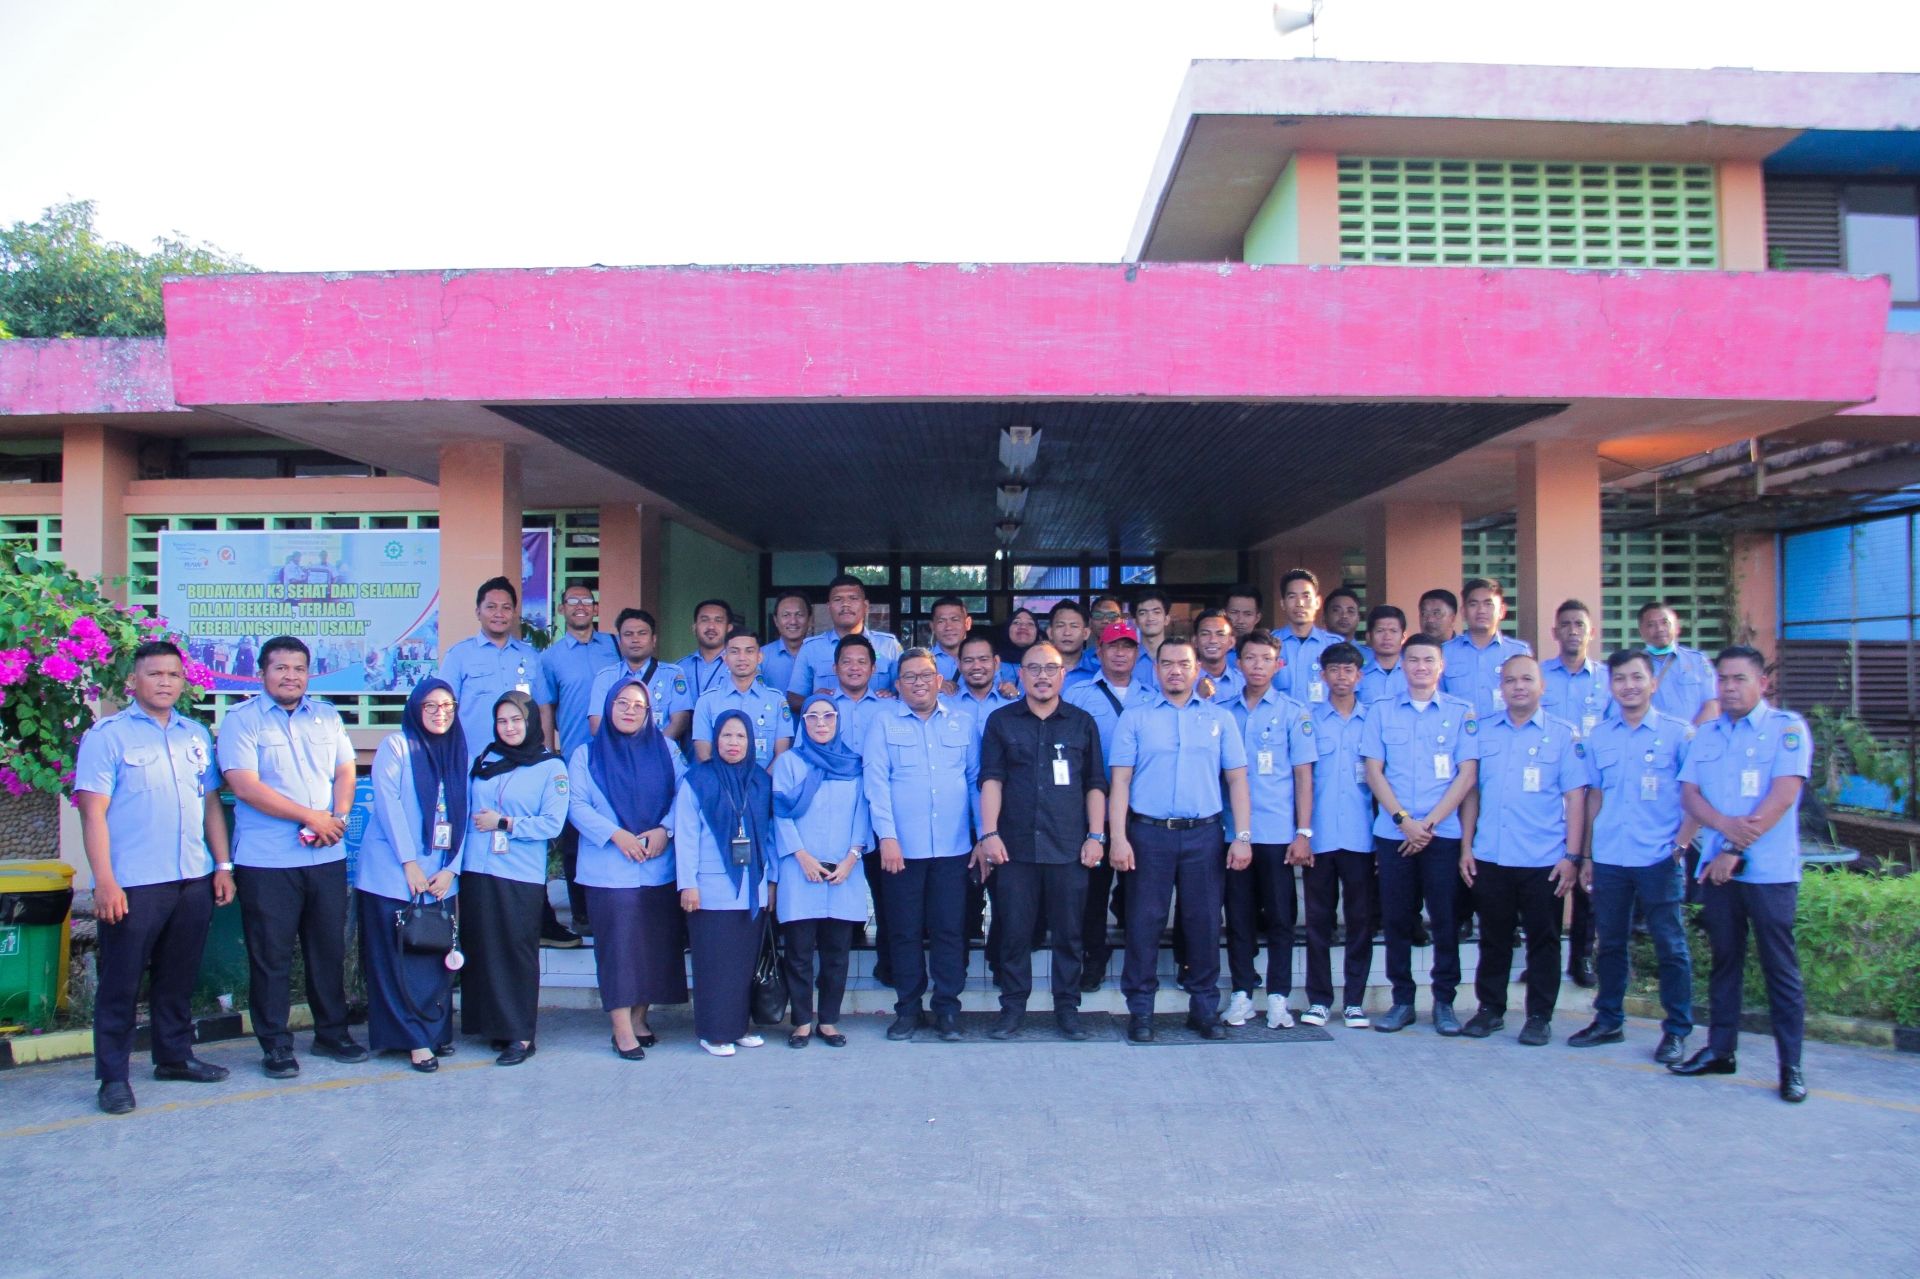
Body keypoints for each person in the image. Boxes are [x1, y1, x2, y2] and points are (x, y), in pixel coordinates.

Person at [74, 641, 234, 1114]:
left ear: (183, 682)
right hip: (134, 883)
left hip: (192, 877)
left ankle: (174, 1057)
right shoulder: (107, 736)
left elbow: (210, 803)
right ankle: (113, 1077)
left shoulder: (195, 735)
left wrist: (222, 865)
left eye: (173, 675)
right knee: (121, 983)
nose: (165, 682)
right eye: (154, 674)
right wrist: (104, 881)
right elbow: (93, 813)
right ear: (133, 681)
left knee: (178, 976)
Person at [216, 635, 364, 1077]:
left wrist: (336, 818)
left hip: (324, 855)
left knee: (327, 950)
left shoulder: (327, 716)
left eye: (299, 668)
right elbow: (245, 786)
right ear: (262, 672)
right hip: (267, 861)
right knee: (271, 957)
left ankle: (332, 1033)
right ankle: (276, 1046)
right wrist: (311, 817)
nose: (290, 676)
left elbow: (345, 770)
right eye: (281, 668)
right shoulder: (242, 720)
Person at [1674, 646, 1812, 1102]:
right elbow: (1690, 795)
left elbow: (1783, 796)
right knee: (1724, 961)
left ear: (1762, 684)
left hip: (1768, 873)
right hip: (1719, 872)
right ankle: (1720, 1050)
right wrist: (1722, 827)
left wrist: (1733, 846)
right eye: (1723, 680)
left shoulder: (1786, 729)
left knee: (1779, 969)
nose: (1729, 688)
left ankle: (1791, 1066)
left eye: (1739, 679)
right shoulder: (1706, 734)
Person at [1108, 639, 1252, 1043]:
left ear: (1197, 669)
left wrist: (1242, 836)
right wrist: (1118, 837)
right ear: (1155, 670)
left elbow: (1237, 780)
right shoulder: (1135, 718)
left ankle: (1204, 1009)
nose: (1175, 671)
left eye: (1184, 664)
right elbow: (1120, 782)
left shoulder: (1220, 718)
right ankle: (1141, 1010)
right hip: (1148, 834)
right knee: (1144, 922)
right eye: (1167, 663)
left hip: (1204, 834)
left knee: (1203, 922)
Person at [1568, 649, 1697, 1063]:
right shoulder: (1599, 737)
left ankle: (1676, 1029)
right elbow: (1594, 797)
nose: (1629, 686)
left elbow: (1696, 797)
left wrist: (1680, 847)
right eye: (1620, 679)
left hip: (1659, 858)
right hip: (1610, 857)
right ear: (1611, 686)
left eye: (1637, 677)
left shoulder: (1678, 734)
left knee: (1670, 945)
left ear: (1653, 683)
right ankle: (1609, 1020)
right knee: (1610, 944)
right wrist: (1587, 855)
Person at [976, 641, 1108, 1040]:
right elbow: (991, 780)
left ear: (1063, 674)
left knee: (1069, 936)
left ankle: (1067, 1010)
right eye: (1033, 668)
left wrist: (1096, 836)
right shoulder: (1001, 721)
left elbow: (1095, 783)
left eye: (1050, 668)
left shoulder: (1082, 723)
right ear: (1020, 675)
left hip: (1069, 847)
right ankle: (1012, 1008)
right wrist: (989, 833)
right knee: (1014, 933)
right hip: (1014, 847)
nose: (1042, 676)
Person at [1456, 654, 1587, 1046]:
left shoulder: (1563, 735)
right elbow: (1471, 792)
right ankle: (1490, 1010)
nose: (1518, 686)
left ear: (1542, 686)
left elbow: (1576, 799)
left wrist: (1573, 857)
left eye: (1527, 679)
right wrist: (1466, 846)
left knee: (1543, 940)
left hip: (1543, 858)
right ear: (1501, 688)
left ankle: (1539, 1017)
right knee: (1493, 938)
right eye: (1511, 680)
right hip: (1491, 855)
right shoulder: (1483, 731)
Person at [1361, 634, 1479, 1035]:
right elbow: (1374, 771)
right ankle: (1402, 1001)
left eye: (1429, 660)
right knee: (1397, 919)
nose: (1421, 667)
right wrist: (1403, 820)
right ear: (1403, 665)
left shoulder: (1461, 712)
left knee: (1445, 919)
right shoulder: (1382, 711)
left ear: (1440, 666)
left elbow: (1467, 774)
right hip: (1394, 832)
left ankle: (1444, 1002)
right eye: (1413, 660)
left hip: (1440, 835)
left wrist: (1426, 826)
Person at [864, 648, 980, 1042]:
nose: (919, 683)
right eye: (910, 677)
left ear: (939, 681)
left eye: (926, 675)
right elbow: (876, 782)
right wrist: (887, 837)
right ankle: (908, 1010)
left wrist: (982, 837)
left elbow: (975, 782)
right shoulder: (883, 723)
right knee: (903, 932)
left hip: (954, 848)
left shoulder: (963, 723)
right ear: (897, 685)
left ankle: (947, 1010)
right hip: (902, 851)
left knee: (950, 931)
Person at [571, 677, 689, 1060]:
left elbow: (685, 794)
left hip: (657, 866)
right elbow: (576, 805)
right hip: (609, 869)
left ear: (649, 712)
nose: (630, 710)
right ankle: (621, 1029)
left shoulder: (667, 749)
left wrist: (665, 829)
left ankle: (640, 1019)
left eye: (639, 705)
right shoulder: (586, 754)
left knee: (654, 947)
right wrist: (615, 835)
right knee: (618, 950)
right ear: (608, 707)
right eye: (622, 703)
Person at [355, 678, 465, 1072]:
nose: (440, 713)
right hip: (392, 874)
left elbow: (467, 815)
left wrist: (452, 868)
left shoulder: (459, 751)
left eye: (447, 705)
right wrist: (409, 863)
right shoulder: (397, 746)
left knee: (434, 958)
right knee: (396, 962)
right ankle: (413, 1039)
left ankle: (434, 1032)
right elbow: (389, 806)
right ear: (416, 709)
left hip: (440, 878)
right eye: (430, 706)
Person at [459, 690, 569, 1065]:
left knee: (515, 952)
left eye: (516, 720)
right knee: (483, 948)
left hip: (518, 874)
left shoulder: (550, 767)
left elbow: (552, 824)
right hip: (477, 869)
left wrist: (505, 823)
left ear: (531, 722)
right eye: (502, 721)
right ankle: (494, 1027)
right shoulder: (485, 759)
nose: (509, 728)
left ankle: (521, 1035)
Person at [1219, 630, 1315, 1030]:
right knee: (1238, 917)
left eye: (1266, 658)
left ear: (1279, 665)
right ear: (1237, 663)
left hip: (1276, 832)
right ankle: (1242, 993)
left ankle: (1278, 996)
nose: (1257, 665)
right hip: (1231, 833)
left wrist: (1303, 832)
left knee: (1280, 918)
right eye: (1250, 658)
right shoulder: (1222, 711)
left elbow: (1303, 776)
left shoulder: (1294, 712)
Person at [675, 709, 777, 1056]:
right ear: (715, 739)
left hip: (752, 888)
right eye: (726, 735)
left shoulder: (760, 780)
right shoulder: (697, 779)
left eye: (741, 736)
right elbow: (686, 836)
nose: (733, 742)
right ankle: (714, 1033)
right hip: (709, 890)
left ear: (751, 742)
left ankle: (737, 1028)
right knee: (714, 965)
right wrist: (688, 884)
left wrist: (772, 881)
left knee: (742, 965)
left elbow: (770, 834)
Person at [773, 695, 871, 1048]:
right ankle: (801, 1022)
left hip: (844, 871)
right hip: (799, 869)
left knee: (836, 954)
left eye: (828, 716)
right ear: (803, 723)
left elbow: (863, 813)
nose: (820, 723)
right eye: (812, 717)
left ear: (838, 721)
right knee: (799, 953)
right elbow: (779, 812)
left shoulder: (853, 764)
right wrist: (801, 856)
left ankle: (828, 1021)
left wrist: (852, 858)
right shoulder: (789, 762)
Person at [1065, 621, 1150, 991]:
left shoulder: (1152, 697)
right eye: (1112, 645)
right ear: (1098, 651)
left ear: (1137, 653)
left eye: (1127, 646)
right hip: (1093, 807)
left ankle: (1139, 960)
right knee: (1092, 891)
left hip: (1141, 809)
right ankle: (1094, 956)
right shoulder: (1079, 694)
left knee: (1140, 889)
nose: (1120, 653)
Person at [538, 584, 620, 940]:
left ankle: (616, 907)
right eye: (573, 601)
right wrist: (548, 756)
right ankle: (582, 912)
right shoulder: (550, 658)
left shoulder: (615, 646)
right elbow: (546, 709)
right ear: (561, 609)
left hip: (618, 756)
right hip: (574, 757)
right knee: (575, 838)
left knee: (617, 828)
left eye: (587, 600)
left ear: (596, 608)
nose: (581, 606)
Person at [1302, 642, 1375, 1029]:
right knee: (1318, 922)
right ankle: (1319, 1000)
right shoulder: (1310, 720)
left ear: (1359, 676)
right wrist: (1302, 832)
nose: (1341, 677)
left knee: (1360, 922)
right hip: (1321, 836)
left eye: (1349, 670)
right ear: (1324, 674)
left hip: (1362, 837)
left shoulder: (1373, 720)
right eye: (1334, 669)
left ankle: (1355, 1002)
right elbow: (1302, 780)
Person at [1541, 597, 1611, 988]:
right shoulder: (1539, 675)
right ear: (1555, 632)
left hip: (1591, 788)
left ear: (1591, 632)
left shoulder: (1607, 680)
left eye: (1579, 624)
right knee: (1549, 870)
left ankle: (1582, 955)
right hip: (1548, 788)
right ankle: (1544, 955)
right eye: (1565, 624)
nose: (1572, 631)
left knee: (1586, 868)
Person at [438, 577, 557, 757]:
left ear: (514, 613)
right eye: (491, 607)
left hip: (523, 760)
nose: (499, 614)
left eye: (506, 608)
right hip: (474, 760)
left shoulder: (530, 656)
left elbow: (543, 708)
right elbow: (444, 708)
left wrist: (547, 754)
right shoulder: (458, 655)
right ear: (478, 612)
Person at [786, 574, 903, 711]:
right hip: (830, 724)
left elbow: (908, 689)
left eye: (853, 598)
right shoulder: (811, 648)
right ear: (829, 607)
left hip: (878, 723)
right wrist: (814, 700)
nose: (845, 604)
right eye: (838, 599)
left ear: (865, 606)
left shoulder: (889, 645)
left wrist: (892, 696)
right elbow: (793, 699)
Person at [691, 627, 794, 768]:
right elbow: (703, 755)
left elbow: (781, 754)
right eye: (734, 651)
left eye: (749, 651)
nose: (742, 658)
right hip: (719, 781)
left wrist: (762, 781)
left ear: (759, 657)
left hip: (765, 780)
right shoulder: (706, 701)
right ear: (725, 658)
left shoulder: (777, 701)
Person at [589, 608, 695, 742]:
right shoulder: (605, 677)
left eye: (642, 633)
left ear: (653, 640)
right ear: (619, 641)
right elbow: (596, 725)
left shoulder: (672, 674)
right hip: (617, 752)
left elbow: (679, 722)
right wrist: (624, 750)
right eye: (628, 634)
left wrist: (654, 749)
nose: (635, 639)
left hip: (659, 750)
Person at [1639, 601, 1721, 726]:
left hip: (1694, 735)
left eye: (1665, 623)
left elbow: (1712, 706)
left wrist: (1689, 734)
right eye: (1651, 625)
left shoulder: (1697, 660)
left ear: (1677, 627)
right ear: (1641, 631)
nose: (1660, 629)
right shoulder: (1635, 665)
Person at [1274, 571, 1342, 706]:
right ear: (1282, 604)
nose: (1299, 603)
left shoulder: (1335, 645)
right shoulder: (1270, 645)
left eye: (1306, 596)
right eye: (1292, 597)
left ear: (1317, 602)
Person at [680, 598, 735, 703]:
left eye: (718, 620)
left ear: (729, 629)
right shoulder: (680, 668)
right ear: (694, 628)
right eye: (704, 620)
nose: (711, 626)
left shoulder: (740, 665)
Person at [761, 590, 813, 696]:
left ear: (810, 620)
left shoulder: (820, 654)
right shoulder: (760, 656)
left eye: (799, 615)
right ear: (776, 620)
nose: (793, 621)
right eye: (786, 615)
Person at [1358, 605, 1410, 705]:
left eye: (1393, 631)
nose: (1387, 637)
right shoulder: (1358, 676)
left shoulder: (1413, 674)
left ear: (1403, 637)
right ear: (1368, 636)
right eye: (1380, 630)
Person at [1192, 608, 1245, 702]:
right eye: (1205, 634)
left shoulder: (1244, 682)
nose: (1213, 640)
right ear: (1195, 641)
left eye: (1221, 634)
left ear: (1231, 642)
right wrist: (1197, 696)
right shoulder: (1181, 682)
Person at [1047, 600, 1100, 689]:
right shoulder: (1034, 671)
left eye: (1074, 626)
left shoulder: (1100, 672)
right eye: (1060, 626)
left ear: (1086, 633)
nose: (1067, 633)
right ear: (1050, 632)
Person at [1131, 589, 1173, 693]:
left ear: (1166, 619)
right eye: (1143, 613)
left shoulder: (1181, 658)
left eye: (1156, 612)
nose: (1150, 618)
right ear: (1135, 622)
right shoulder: (1128, 660)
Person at [928, 595, 973, 689]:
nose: (948, 627)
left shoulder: (985, 661)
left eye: (955, 620)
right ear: (932, 626)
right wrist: (932, 687)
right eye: (941, 621)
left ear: (967, 623)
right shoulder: (920, 661)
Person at [996, 608, 1041, 693]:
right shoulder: (994, 662)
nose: (1023, 627)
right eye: (1016, 622)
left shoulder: (1044, 663)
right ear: (1007, 629)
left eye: (1030, 624)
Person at [1223, 585, 1264, 652]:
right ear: (1224, 614)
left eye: (1247, 614)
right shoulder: (1214, 650)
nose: (1240, 621)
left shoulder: (1265, 650)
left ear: (1257, 618)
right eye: (1234, 612)